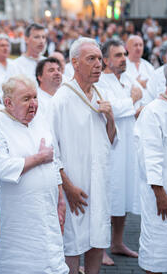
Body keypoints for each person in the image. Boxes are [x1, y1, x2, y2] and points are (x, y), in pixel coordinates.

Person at [49, 37, 117, 274]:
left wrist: (110, 117)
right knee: (72, 243)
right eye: (92, 59)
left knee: (98, 236)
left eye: (99, 59)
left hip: (98, 181)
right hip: (74, 186)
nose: (99, 64)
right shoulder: (61, 100)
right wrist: (67, 186)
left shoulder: (102, 91)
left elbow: (110, 140)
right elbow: (52, 151)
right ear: (75, 63)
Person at [0, 75, 68, 274]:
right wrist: (38, 158)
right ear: (8, 103)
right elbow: (1, 167)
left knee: (51, 262)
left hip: (47, 210)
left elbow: (55, 159)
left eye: (35, 97)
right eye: (26, 99)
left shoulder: (40, 120)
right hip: (18, 217)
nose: (33, 103)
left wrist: (60, 197)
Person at [98, 39, 142, 265]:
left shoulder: (127, 79)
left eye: (124, 54)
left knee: (123, 193)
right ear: (106, 60)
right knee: (109, 194)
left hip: (128, 146)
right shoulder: (100, 82)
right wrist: (130, 102)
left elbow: (138, 95)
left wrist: (130, 103)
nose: (123, 59)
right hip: (111, 144)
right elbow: (108, 107)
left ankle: (117, 242)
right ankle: (101, 247)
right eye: (117, 55)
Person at [135, 62, 167, 274]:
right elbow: (150, 156)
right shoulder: (153, 111)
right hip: (161, 194)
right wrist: (159, 193)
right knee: (157, 250)